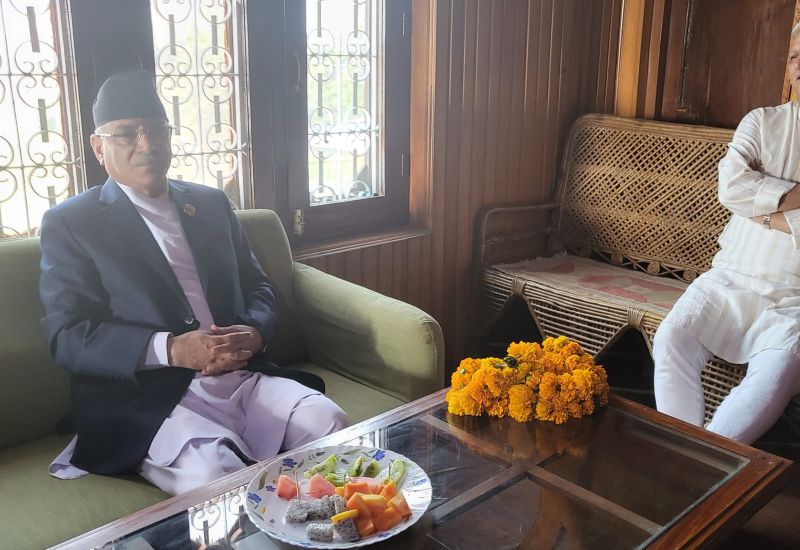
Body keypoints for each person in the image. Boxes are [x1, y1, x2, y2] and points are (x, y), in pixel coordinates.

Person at [40, 70, 348, 495]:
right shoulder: (72, 223)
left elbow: (259, 288)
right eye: (127, 133)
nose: (146, 144)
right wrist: (172, 348)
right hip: (148, 397)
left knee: (331, 424)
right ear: (98, 147)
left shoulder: (211, 203)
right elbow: (68, 335)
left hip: (239, 375)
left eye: (157, 130)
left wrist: (254, 334)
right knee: (217, 477)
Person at [652, 25, 800, 445]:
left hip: (794, 298)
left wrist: (763, 204)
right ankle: (686, 452)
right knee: (672, 338)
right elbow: (731, 188)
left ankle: (707, 458)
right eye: (795, 55)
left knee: (781, 368)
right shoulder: (762, 122)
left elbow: (745, 196)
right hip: (731, 277)